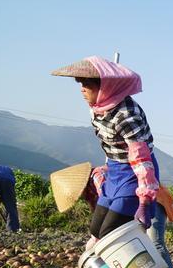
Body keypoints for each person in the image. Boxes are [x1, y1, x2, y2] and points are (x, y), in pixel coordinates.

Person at [51, 56, 160, 240]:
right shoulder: (98, 108)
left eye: (87, 84)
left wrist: (144, 201)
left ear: (104, 87)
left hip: (134, 174)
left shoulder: (126, 115)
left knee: (110, 233)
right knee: (96, 231)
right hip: (115, 172)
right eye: (80, 84)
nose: (82, 90)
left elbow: (141, 159)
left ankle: (143, 267)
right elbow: (110, 147)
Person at [50, 162, 173, 268]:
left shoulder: (98, 177)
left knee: (155, 241)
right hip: (132, 203)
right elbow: (102, 216)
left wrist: (97, 241)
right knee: (134, 243)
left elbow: (114, 208)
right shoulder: (90, 193)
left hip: (151, 199)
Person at [0, 163, 20, 232]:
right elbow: (2, 197)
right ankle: (13, 230)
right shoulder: (5, 169)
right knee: (11, 207)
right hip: (9, 181)